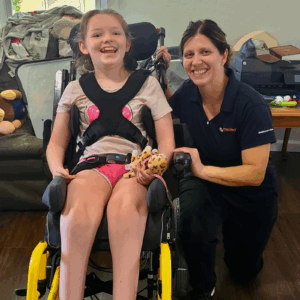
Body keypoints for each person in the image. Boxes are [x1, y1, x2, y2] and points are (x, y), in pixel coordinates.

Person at [46, 9, 175, 300]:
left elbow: (167, 141)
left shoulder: (149, 85)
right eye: (97, 34)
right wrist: (57, 169)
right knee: (77, 213)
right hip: (90, 167)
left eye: (116, 33)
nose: (108, 39)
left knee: (126, 210)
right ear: (83, 45)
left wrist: (155, 169)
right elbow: (56, 144)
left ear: (128, 43)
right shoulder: (74, 89)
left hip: (135, 168)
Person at [157, 19, 278, 299]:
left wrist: (201, 170)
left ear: (223, 55)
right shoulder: (189, 92)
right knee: (191, 220)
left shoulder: (252, 105)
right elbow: (167, 105)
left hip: (250, 189)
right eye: (189, 54)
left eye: (205, 52)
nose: (196, 61)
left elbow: (255, 173)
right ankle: (202, 286)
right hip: (205, 181)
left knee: (243, 272)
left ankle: (239, 252)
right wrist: (161, 75)